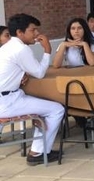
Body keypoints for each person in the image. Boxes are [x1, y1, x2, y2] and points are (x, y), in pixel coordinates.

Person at [0, 14, 64, 165]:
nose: (36, 34)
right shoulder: (21, 49)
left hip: (10, 97)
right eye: (33, 30)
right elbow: (40, 73)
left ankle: (38, 150)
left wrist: (23, 73)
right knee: (57, 109)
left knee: (44, 108)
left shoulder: (7, 47)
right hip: (7, 102)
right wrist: (47, 50)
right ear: (20, 33)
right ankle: (38, 153)